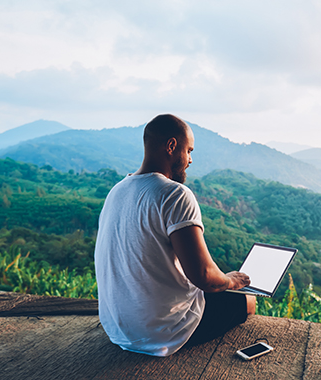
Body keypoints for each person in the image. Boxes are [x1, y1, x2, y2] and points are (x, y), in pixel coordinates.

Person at [94, 114, 255, 357]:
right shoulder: (175, 194)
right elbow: (204, 277)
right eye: (188, 151)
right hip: (160, 333)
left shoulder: (117, 191)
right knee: (248, 301)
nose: (190, 160)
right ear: (171, 146)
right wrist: (231, 281)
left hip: (117, 329)